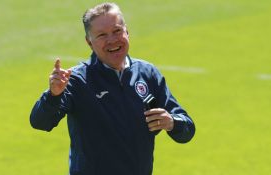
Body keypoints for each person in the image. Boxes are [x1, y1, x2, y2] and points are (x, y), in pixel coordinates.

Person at [30, 2, 195, 175]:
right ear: (89, 42)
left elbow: (187, 130)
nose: (112, 40)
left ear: (127, 31)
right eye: (102, 35)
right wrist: (53, 95)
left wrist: (172, 122)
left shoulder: (147, 74)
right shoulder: (77, 80)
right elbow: (40, 122)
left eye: (117, 31)